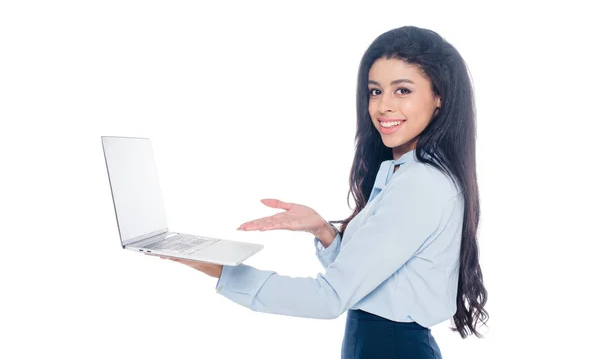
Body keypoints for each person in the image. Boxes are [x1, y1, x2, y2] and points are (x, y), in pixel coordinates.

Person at [153, 25, 489, 358]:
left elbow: (329, 298)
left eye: (402, 90)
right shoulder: (406, 173)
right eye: (375, 91)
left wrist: (218, 268)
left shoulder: (422, 184)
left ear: (439, 97)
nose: (383, 106)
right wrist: (323, 231)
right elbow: (370, 278)